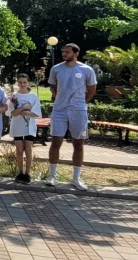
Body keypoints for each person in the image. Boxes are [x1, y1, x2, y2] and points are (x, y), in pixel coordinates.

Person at [46, 43, 97, 191]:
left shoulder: (86, 70)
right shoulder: (56, 69)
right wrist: (58, 98)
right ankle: (52, 175)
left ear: (76, 54)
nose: (64, 54)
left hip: (78, 111)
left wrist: (83, 102)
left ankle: (75, 178)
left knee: (78, 143)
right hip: (59, 111)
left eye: (67, 52)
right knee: (56, 142)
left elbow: (92, 89)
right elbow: (52, 86)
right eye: (63, 52)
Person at [9, 74, 41, 184]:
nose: (22, 85)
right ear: (17, 83)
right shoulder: (14, 96)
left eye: (24, 82)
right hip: (17, 126)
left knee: (28, 149)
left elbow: (36, 113)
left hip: (29, 126)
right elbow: (12, 113)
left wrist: (25, 112)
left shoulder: (33, 96)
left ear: (28, 83)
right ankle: (20, 172)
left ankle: (27, 173)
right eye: (20, 82)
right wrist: (23, 108)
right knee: (19, 150)